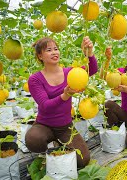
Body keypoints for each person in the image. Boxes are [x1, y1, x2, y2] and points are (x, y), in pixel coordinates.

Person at [25, 36, 97, 168]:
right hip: (44, 125)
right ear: (40, 56)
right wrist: (65, 95)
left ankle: (60, 143)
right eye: (49, 50)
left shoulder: (69, 72)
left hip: (65, 127)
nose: (54, 52)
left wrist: (90, 53)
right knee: (33, 140)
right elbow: (45, 106)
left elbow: (91, 70)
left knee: (83, 160)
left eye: (56, 49)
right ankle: (47, 150)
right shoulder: (35, 79)